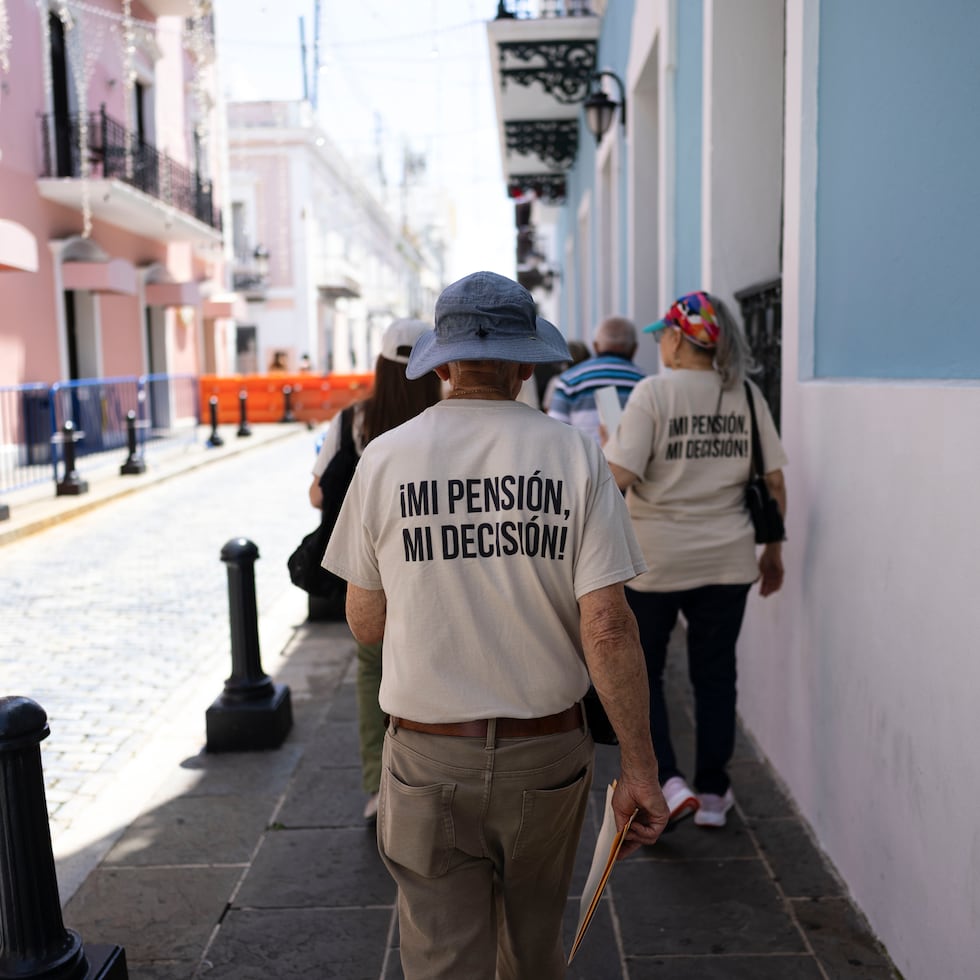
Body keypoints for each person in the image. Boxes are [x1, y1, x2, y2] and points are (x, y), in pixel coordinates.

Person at [322, 271, 669, 980]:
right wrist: (640, 768)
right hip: (546, 755)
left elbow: (364, 621)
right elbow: (607, 627)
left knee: (442, 956)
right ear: (521, 364)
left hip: (427, 756)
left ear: (443, 364)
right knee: (535, 945)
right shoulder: (573, 455)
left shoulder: (386, 455)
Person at [602, 291, 788, 830]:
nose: (659, 341)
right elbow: (774, 481)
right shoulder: (747, 395)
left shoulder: (653, 395)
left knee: (646, 673)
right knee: (715, 673)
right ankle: (712, 792)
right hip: (728, 561)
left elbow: (618, 478)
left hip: (653, 561)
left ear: (681, 338)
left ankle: (670, 782)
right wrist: (772, 553)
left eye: (663, 333)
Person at [309, 318, 442, 824]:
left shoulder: (354, 420)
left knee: (372, 668)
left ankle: (379, 784)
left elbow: (320, 493)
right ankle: (430, 772)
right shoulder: (443, 415)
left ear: (382, 365)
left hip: (370, 565)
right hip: (431, 558)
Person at [547, 316, 645, 442]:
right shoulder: (644, 383)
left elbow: (556, 435)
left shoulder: (569, 381)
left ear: (595, 346)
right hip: (632, 461)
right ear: (634, 349)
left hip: (582, 460)